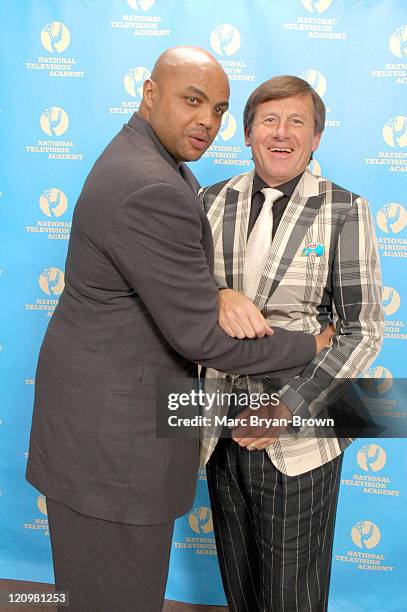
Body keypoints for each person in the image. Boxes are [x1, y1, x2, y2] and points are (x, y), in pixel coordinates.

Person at [26, 51, 332, 612]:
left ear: (318, 138)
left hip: (176, 426)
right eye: (192, 101)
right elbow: (199, 336)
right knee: (114, 596)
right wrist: (310, 344)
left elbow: (169, 277)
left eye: (216, 109)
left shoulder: (165, 167)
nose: (206, 123)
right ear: (149, 92)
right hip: (116, 443)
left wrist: (214, 293)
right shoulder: (158, 186)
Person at [200, 76, 383, 612]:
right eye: (270, 120)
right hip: (220, 428)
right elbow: (180, 294)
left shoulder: (345, 209)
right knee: (240, 584)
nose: (282, 134)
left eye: (297, 122)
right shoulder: (210, 201)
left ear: (316, 138)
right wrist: (218, 295)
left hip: (301, 438)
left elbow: (363, 330)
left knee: (291, 597)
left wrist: (288, 409)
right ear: (248, 132)